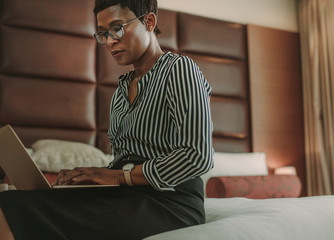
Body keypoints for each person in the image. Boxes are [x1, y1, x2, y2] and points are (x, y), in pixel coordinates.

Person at [0, 0, 213, 239]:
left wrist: (115, 176)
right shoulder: (120, 94)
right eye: (103, 33)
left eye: (117, 28)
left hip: (171, 201)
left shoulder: (180, 69)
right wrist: (92, 176)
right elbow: (123, 164)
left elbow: (198, 156)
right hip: (128, 193)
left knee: (15, 210)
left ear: (149, 22)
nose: (110, 41)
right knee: (16, 200)